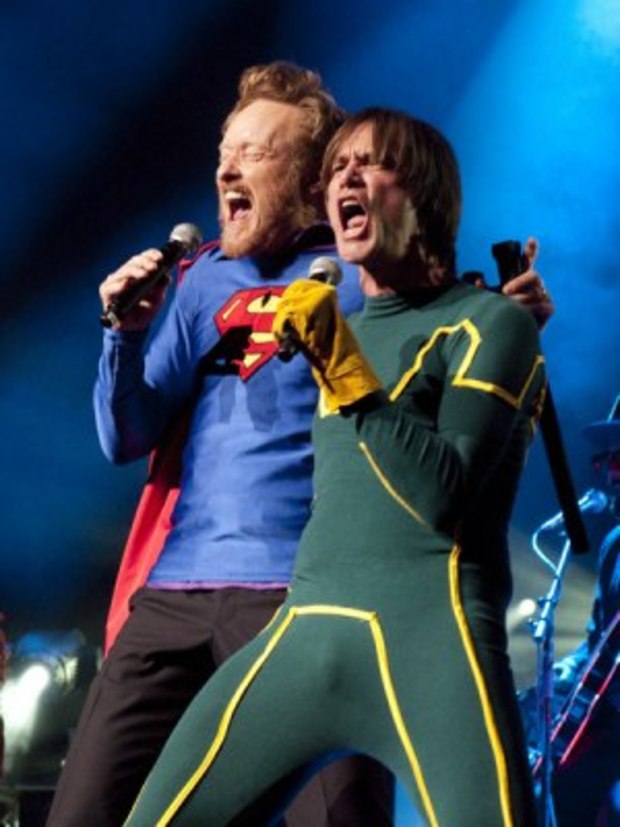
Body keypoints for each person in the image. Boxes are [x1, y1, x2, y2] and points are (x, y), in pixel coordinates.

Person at [124, 106, 546, 827]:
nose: (345, 178)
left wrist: (345, 371)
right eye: (336, 169)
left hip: (433, 645)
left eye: (371, 164)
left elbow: (441, 494)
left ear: (425, 194)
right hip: (303, 633)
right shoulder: (340, 326)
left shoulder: (489, 323)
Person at [47, 62, 394, 827]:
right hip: (174, 597)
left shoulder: (361, 278)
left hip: (304, 596)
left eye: (255, 153)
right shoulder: (201, 281)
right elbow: (125, 437)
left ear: (311, 180)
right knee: (83, 814)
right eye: (224, 152)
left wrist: (508, 317)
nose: (228, 169)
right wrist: (123, 339)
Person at [533, 397, 620, 825]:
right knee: (547, 789)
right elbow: (598, 640)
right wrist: (561, 674)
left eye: (617, 459)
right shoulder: (614, 546)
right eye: (605, 460)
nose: (609, 473)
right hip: (612, 721)